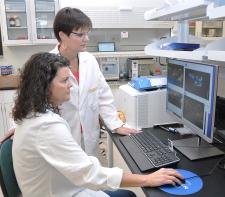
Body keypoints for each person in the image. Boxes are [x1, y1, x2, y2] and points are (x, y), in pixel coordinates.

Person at [12, 52, 183, 197]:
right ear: (44, 86)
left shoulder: (32, 114)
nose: (71, 85)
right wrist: (147, 179)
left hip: (62, 186)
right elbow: (89, 174)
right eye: (64, 81)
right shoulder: (46, 126)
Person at [51, 7, 138, 156]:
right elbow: (32, 101)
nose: (87, 39)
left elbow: (103, 96)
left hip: (89, 136)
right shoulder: (47, 63)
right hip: (61, 139)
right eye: (80, 34)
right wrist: (19, 128)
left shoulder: (89, 60)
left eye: (87, 33)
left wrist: (116, 125)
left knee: (91, 173)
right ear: (62, 35)